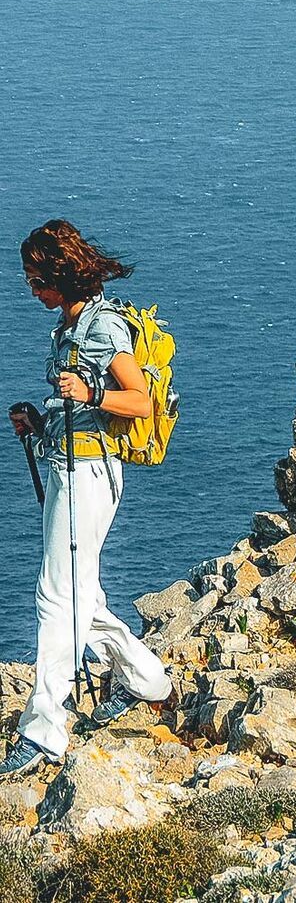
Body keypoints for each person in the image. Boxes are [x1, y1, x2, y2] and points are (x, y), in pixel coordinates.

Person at [1, 219, 173, 777]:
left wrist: (92, 392)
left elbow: (141, 401)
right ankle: (148, 680)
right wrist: (40, 414)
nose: (31, 290)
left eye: (36, 280)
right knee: (81, 595)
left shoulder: (102, 328)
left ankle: (45, 729)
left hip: (88, 473)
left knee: (57, 597)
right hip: (66, 464)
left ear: (60, 274)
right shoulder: (69, 323)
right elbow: (76, 399)